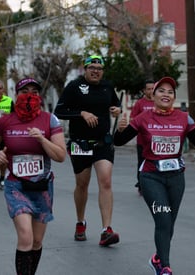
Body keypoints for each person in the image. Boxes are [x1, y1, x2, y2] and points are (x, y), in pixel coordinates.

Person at [114, 77, 195, 275]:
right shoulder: (143, 118)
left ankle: (158, 257)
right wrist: (120, 129)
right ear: (153, 95)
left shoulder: (184, 117)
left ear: (173, 97)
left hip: (176, 178)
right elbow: (119, 141)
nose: (166, 94)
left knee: (169, 223)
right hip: (151, 177)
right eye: (161, 91)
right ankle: (164, 266)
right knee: (163, 220)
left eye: (170, 92)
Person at [0, 77, 66, 274]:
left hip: (42, 186)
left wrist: (42, 139)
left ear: (40, 96)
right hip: (16, 186)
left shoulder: (49, 119)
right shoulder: (6, 120)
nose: (30, 95)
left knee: (37, 241)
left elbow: (61, 155)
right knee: (26, 237)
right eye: (25, 91)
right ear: (16, 95)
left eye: (34, 92)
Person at [54, 55, 122, 246]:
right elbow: (59, 111)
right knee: (82, 184)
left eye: (99, 68)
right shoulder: (74, 86)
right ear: (85, 69)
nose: (95, 71)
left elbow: (116, 105)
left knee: (106, 181)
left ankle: (106, 230)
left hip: (103, 142)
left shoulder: (107, 87)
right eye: (91, 67)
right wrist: (81, 113)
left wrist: (117, 110)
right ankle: (80, 222)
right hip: (80, 143)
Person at [129, 79, 155, 194]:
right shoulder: (140, 103)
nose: (151, 91)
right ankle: (141, 184)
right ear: (144, 90)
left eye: (153, 88)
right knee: (142, 163)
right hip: (142, 141)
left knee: (154, 163)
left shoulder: (158, 102)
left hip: (156, 140)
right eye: (148, 89)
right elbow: (132, 119)